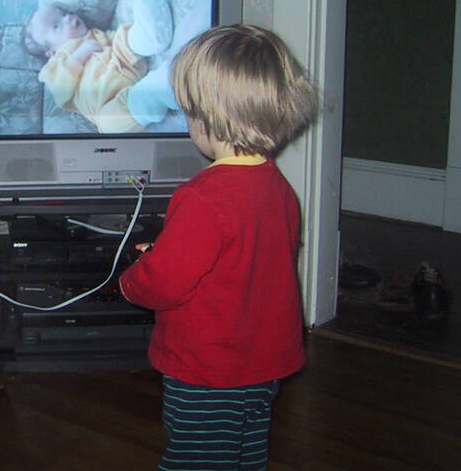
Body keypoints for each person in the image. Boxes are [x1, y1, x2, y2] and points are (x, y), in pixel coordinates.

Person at [118, 24, 318, 471]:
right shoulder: (277, 186)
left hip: (208, 365)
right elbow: (247, 259)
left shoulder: (201, 197)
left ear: (208, 118)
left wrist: (132, 279)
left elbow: (164, 284)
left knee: (196, 456)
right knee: (246, 448)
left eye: (188, 112)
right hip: (264, 359)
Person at [22, 0, 180, 133]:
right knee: (110, 123)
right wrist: (81, 54)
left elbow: (114, 38)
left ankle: (148, 35)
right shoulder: (55, 66)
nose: (68, 18)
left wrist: (124, 38)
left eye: (64, 14)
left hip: (125, 63)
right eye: (57, 25)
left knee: (123, 37)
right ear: (51, 52)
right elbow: (61, 91)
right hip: (108, 102)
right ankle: (158, 91)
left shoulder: (94, 34)